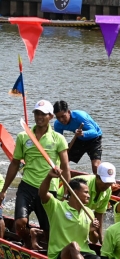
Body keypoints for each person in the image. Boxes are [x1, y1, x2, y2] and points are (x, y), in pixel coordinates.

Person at [0, 100, 71, 249]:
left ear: (51, 116)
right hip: (27, 186)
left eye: (43, 114)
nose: (39, 117)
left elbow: (65, 167)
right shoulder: (23, 136)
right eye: (37, 113)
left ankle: (37, 234)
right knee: (19, 223)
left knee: (49, 231)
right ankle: (26, 241)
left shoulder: (58, 139)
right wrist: (4, 189)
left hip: (47, 190)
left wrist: (66, 194)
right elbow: (15, 163)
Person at [38, 169, 99, 259]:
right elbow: (42, 194)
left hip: (84, 252)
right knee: (73, 246)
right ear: (75, 193)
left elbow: (94, 240)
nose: (89, 195)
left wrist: (92, 231)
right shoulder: (57, 206)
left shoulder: (89, 212)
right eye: (86, 192)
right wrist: (49, 177)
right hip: (62, 253)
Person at [52, 100, 103, 174]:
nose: (61, 120)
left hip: (94, 139)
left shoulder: (80, 116)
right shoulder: (57, 124)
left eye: (63, 116)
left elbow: (94, 132)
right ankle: (63, 179)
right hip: (79, 139)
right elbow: (58, 141)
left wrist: (83, 133)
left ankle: (100, 182)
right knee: (62, 161)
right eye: (58, 117)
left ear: (69, 112)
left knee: (95, 167)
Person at [80, 162, 116, 243]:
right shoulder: (85, 185)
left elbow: (99, 214)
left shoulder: (108, 190)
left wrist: (101, 239)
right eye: (105, 182)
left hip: (85, 210)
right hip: (64, 202)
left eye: (109, 183)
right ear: (97, 177)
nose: (107, 186)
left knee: (95, 239)